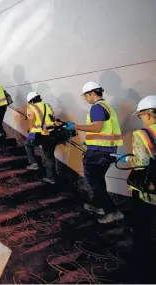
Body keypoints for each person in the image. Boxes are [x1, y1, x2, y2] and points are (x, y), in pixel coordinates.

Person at [65, 81, 124, 223]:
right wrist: (89, 141)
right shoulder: (106, 106)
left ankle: (112, 211)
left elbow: (97, 128)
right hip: (106, 150)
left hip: (98, 153)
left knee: (94, 182)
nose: (85, 99)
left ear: (91, 93)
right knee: (98, 181)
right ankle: (99, 205)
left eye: (85, 96)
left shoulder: (97, 107)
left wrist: (75, 126)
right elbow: (103, 131)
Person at [121, 95, 156, 283]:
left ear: (149, 115)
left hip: (149, 192)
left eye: (141, 115)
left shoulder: (143, 134)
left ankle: (140, 269)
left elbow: (141, 163)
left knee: (143, 227)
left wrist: (128, 159)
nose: (141, 119)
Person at [24, 92, 57, 184]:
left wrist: (30, 131)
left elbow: (31, 119)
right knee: (49, 156)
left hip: (39, 134)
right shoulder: (47, 105)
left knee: (27, 144)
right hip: (52, 133)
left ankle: (33, 163)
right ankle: (51, 178)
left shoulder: (31, 107)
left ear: (32, 100)